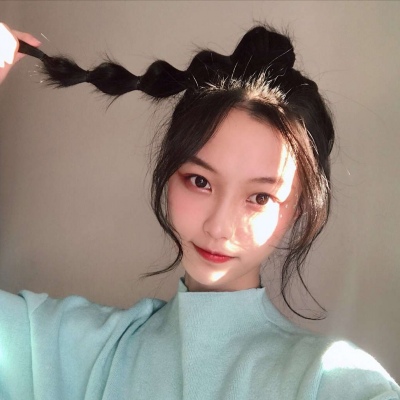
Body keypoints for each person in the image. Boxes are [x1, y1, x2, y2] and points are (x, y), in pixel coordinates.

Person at [0, 22, 399, 400]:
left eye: (260, 198)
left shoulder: (327, 377)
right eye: (200, 181)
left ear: (298, 209)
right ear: (168, 173)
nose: (219, 227)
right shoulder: (83, 349)